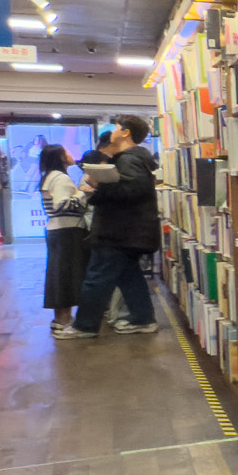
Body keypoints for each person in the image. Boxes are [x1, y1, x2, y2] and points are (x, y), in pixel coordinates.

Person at [55, 115, 161, 339]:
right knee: (129, 277)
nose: (112, 132)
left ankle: (85, 326)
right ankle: (144, 320)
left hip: (117, 232)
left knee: (96, 278)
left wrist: (98, 185)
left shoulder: (129, 160)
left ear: (125, 133)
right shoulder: (132, 159)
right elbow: (131, 191)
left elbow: (131, 191)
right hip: (128, 232)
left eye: (116, 128)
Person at [39, 145, 88, 328]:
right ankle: (64, 320)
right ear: (60, 157)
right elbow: (62, 205)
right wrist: (83, 193)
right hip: (68, 231)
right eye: (66, 152)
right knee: (67, 275)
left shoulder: (49, 176)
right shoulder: (61, 178)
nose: (70, 154)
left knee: (58, 274)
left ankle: (59, 318)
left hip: (56, 230)